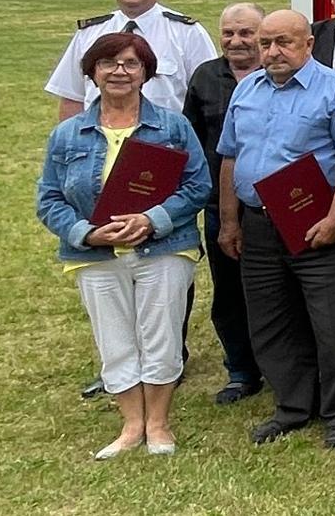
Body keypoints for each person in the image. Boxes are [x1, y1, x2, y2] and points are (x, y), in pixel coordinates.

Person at [37, 32, 211, 459]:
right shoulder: (67, 134)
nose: (119, 71)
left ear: (145, 73)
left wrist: (152, 220)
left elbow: (198, 184)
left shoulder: (172, 126)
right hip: (94, 254)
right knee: (114, 340)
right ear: (92, 72)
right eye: (108, 63)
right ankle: (132, 425)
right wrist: (85, 232)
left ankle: (159, 424)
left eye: (131, 63)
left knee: (161, 336)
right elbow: (48, 198)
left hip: (165, 249)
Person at [215, 10, 335, 450]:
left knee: (334, 322)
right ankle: (293, 405)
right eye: (266, 43)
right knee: (271, 321)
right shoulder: (247, 90)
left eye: (284, 42)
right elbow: (229, 156)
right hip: (259, 225)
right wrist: (230, 220)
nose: (272, 51)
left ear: (308, 44)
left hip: (315, 224)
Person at [184, 3, 267, 405]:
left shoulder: (282, 71)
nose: (236, 41)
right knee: (229, 292)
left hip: (277, 205)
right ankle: (241, 370)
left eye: (246, 33)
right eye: (229, 33)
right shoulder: (205, 77)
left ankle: (283, 366)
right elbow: (194, 142)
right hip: (221, 205)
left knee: (274, 292)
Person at [47, 0, 218, 120]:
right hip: (98, 143)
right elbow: (72, 98)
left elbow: (210, 98)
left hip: (164, 144)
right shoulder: (89, 34)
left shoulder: (188, 34)